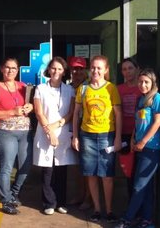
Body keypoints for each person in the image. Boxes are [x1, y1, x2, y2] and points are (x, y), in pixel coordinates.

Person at [72, 55, 122, 223]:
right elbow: (76, 114)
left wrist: (118, 138)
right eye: (93, 67)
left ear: (106, 70)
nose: (95, 71)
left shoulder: (111, 88)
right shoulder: (83, 89)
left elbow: (118, 114)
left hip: (106, 135)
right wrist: (76, 136)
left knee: (106, 175)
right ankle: (97, 209)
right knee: (91, 173)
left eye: (99, 68)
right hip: (87, 135)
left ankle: (108, 210)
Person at [115, 69, 160, 228]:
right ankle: (146, 219)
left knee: (139, 186)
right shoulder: (140, 100)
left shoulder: (157, 98)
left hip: (151, 149)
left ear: (153, 83)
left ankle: (127, 219)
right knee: (146, 187)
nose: (143, 85)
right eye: (140, 82)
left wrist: (143, 141)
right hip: (138, 147)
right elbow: (138, 123)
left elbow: (157, 123)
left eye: (146, 82)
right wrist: (133, 139)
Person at [0, 57, 33, 215]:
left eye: (14, 68)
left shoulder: (23, 86)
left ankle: (14, 193)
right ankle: (5, 200)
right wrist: (12, 112)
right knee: (6, 167)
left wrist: (30, 106)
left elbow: (30, 104)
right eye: (7, 67)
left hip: (25, 132)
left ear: (17, 70)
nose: (11, 70)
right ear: (2, 69)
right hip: (5, 132)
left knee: (25, 166)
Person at [33, 56, 78, 215]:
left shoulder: (70, 90)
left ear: (64, 71)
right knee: (47, 170)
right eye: (53, 68)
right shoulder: (40, 88)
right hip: (45, 132)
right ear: (48, 70)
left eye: (60, 69)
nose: (56, 71)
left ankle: (60, 202)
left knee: (61, 169)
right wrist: (48, 130)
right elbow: (38, 112)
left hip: (62, 131)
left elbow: (71, 112)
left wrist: (56, 125)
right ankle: (48, 203)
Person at [67, 56, 92, 210]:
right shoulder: (68, 87)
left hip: (86, 132)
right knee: (77, 168)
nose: (77, 72)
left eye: (80, 69)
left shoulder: (88, 87)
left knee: (86, 168)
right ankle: (80, 195)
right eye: (75, 69)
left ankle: (89, 198)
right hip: (70, 131)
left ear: (86, 70)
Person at [117, 58, 142, 197]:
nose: (127, 72)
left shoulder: (143, 87)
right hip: (124, 135)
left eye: (130, 68)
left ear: (137, 69)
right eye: (124, 69)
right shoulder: (118, 89)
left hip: (140, 135)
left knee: (140, 173)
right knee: (129, 173)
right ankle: (131, 207)